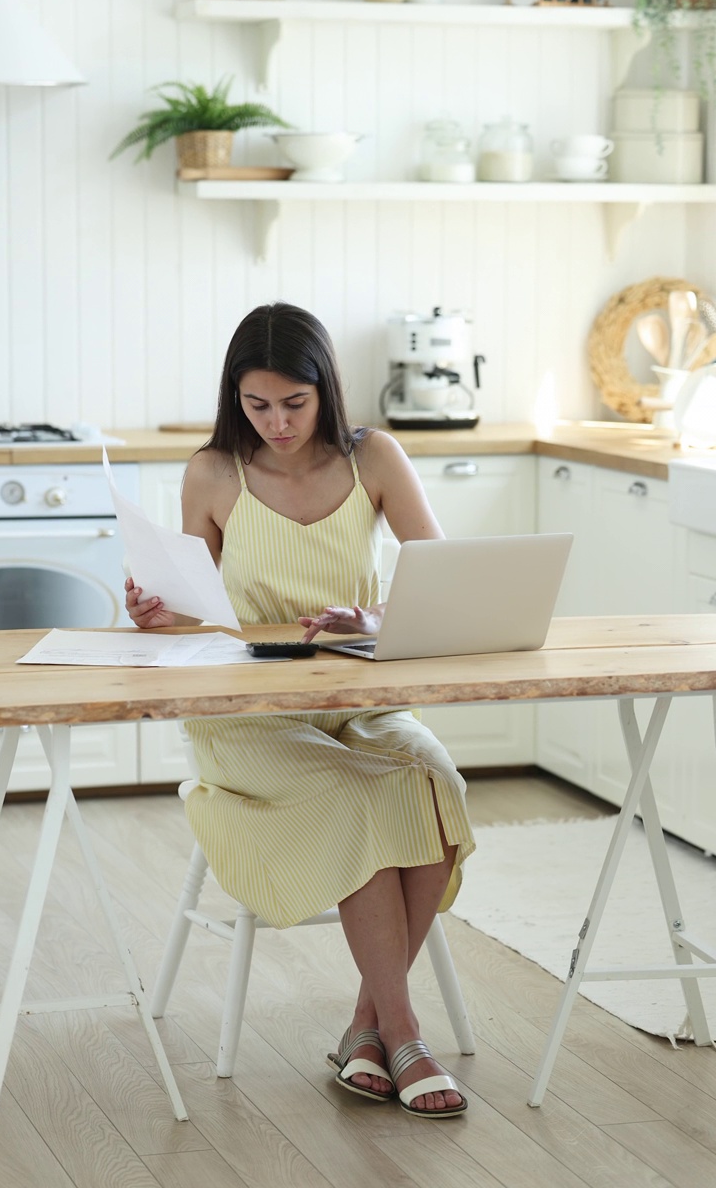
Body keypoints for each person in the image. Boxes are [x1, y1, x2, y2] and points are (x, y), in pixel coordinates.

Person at [125, 301, 475, 1118]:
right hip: (249, 713)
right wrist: (156, 611)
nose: (276, 423)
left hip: (358, 695)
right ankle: (407, 1030)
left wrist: (376, 618)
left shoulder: (375, 458)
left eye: (294, 403)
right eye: (257, 405)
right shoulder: (214, 471)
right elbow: (195, 608)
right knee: (361, 794)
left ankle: (366, 1026)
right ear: (234, 398)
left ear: (326, 390)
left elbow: (444, 580)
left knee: (432, 782)